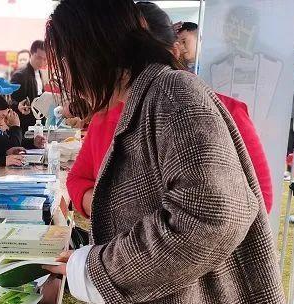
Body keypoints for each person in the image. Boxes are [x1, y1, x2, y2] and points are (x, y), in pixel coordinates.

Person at [43, 1, 294, 304]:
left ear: (93, 48)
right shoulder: (147, 98)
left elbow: (214, 214)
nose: (69, 82)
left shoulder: (172, 95)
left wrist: (96, 269)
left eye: (68, 61)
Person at [67, 2, 273, 217]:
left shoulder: (217, 111)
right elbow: (77, 180)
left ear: (174, 52)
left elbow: (257, 201)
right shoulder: (107, 114)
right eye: (131, 62)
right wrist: (114, 212)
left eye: (150, 62)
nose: (142, 75)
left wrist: (127, 216)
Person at [11, 40, 48, 133]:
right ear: (31, 54)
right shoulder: (19, 75)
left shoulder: (39, 72)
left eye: (44, 59)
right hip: (25, 124)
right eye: (38, 58)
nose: (41, 62)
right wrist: (18, 106)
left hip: (38, 121)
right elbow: (11, 101)